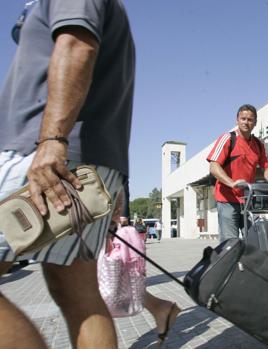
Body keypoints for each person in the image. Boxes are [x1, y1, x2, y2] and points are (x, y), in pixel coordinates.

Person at [0, 0, 135, 347]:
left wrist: (51, 141)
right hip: (82, 162)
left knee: (78, 293)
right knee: (78, 293)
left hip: (47, 156)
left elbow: (76, 44)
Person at [104, 194, 180, 345]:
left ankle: (159, 308)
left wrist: (120, 212)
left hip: (90, 209)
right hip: (83, 209)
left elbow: (119, 177)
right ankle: (159, 307)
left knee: (86, 295)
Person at [207, 104, 268, 243]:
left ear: (255, 123)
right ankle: (230, 263)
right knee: (230, 244)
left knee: (255, 240)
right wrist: (232, 183)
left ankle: (248, 265)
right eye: (243, 119)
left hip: (247, 200)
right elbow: (214, 166)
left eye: (250, 119)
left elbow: (266, 167)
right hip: (227, 200)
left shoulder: (258, 144)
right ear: (237, 120)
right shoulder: (227, 138)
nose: (246, 122)